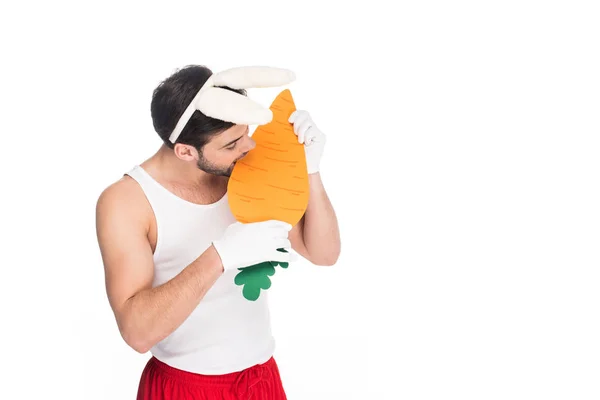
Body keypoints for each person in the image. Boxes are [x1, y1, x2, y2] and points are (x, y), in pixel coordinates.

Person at [95, 64, 341, 400]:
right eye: (231, 144)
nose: (250, 146)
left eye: (246, 132)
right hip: (183, 387)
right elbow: (137, 334)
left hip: (260, 380)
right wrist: (219, 257)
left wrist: (309, 168)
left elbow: (324, 253)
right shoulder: (127, 202)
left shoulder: (246, 171)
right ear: (185, 151)